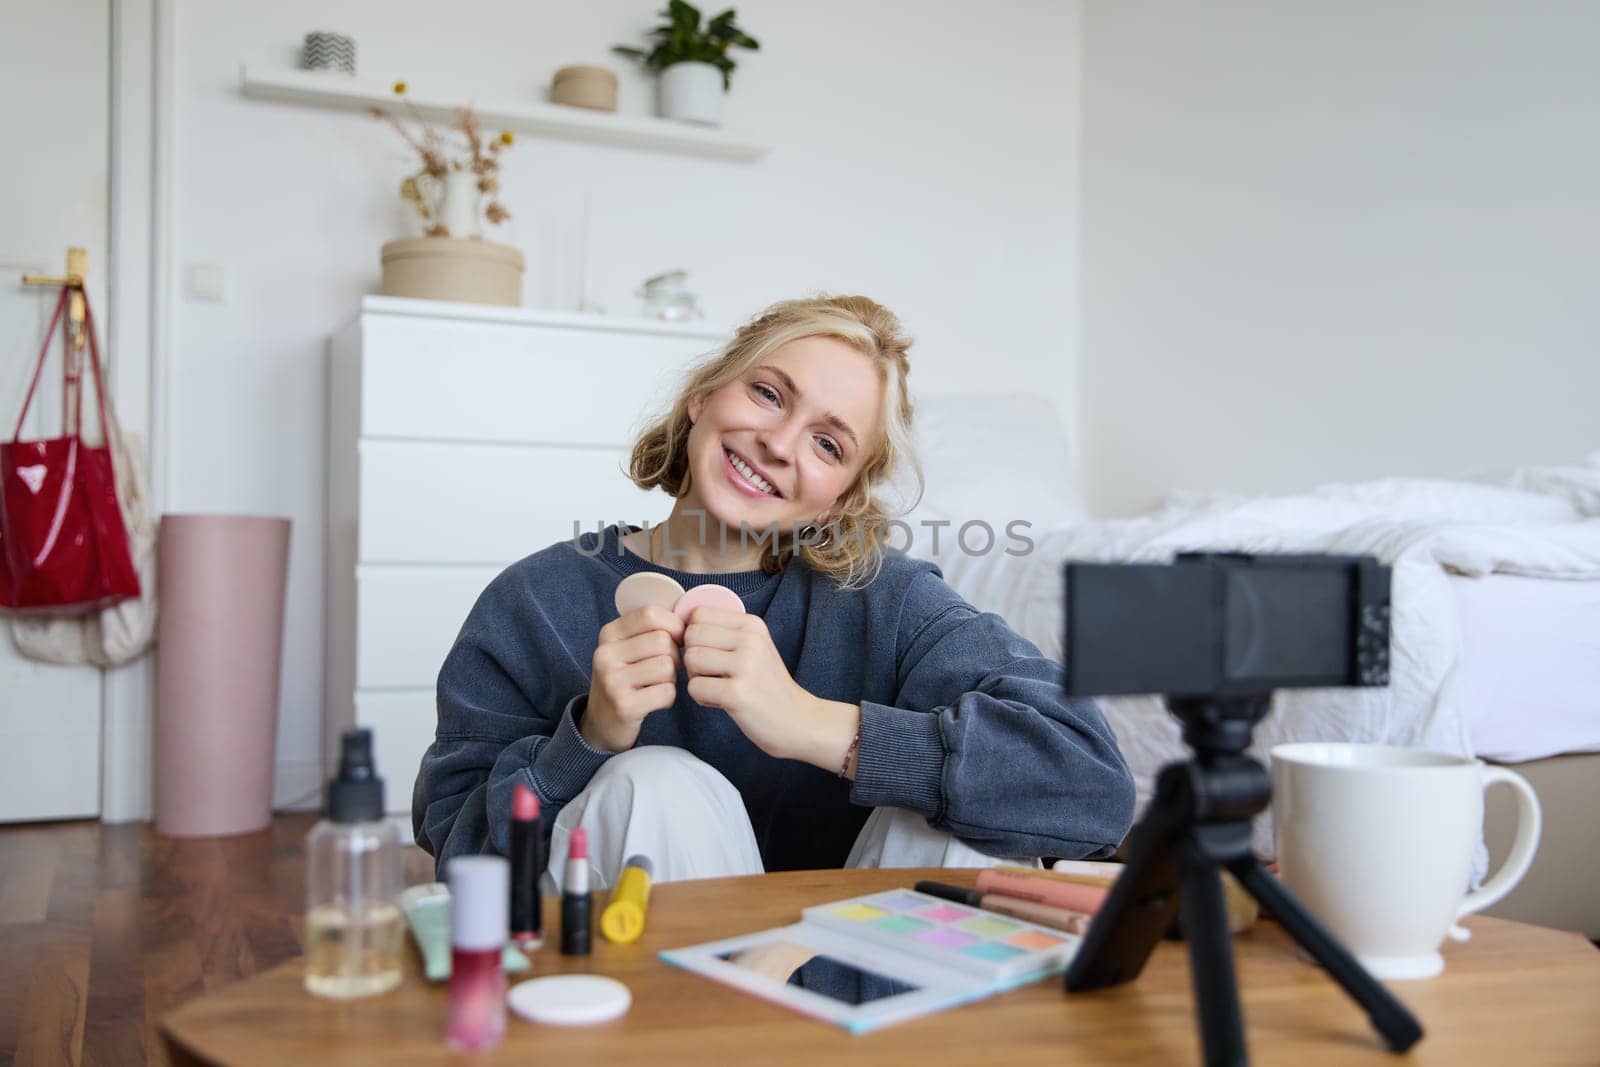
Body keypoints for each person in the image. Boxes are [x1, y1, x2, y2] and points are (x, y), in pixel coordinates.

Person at [413, 295, 1135, 887]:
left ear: (838, 500)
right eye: (767, 393)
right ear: (701, 396)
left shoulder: (889, 602)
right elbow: (459, 856)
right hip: (656, 1005)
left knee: (961, 816)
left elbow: (1094, 780)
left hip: (845, 988)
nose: (781, 443)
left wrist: (814, 723)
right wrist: (588, 740)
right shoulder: (535, 600)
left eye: (829, 443)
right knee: (653, 783)